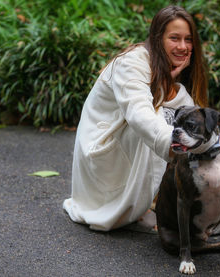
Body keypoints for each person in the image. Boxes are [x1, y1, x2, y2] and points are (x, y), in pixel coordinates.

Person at [63, 5, 208, 231]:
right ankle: (139, 204)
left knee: (182, 103)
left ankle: (177, 203)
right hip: (102, 155)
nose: (182, 46)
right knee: (163, 117)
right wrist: (176, 144)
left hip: (123, 149)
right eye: (174, 38)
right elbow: (139, 114)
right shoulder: (132, 62)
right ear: (158, 38)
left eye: (188, 39)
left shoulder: (169, 72)